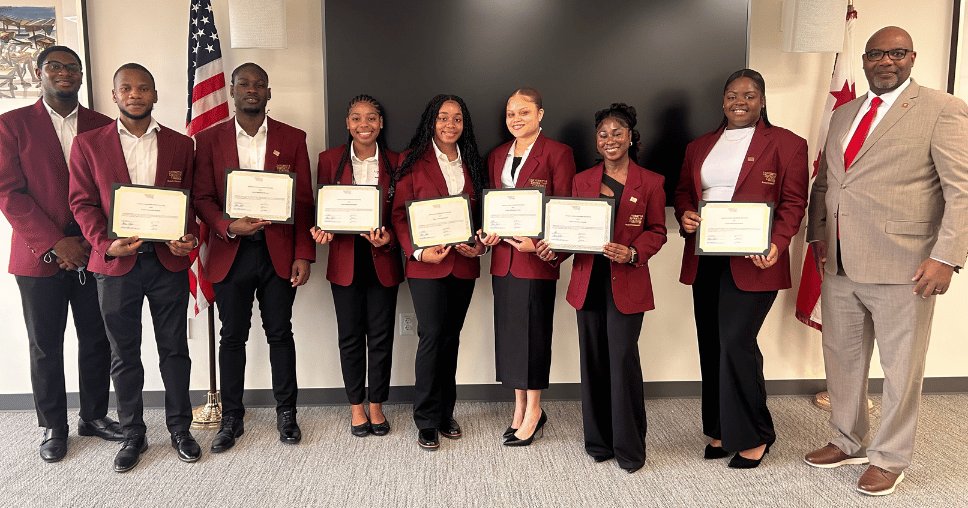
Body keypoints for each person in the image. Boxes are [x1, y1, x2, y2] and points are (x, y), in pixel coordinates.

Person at [804, 26, 968, 496]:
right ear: (865, 61)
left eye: (896, 53)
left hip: (907, 265)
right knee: (842, 359)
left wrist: (946, 258)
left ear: (912, 57)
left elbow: (962, 191)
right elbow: (828, 182)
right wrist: (818, 238)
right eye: (875, 54)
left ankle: (890, 457)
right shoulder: (846, 113)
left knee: (901, 368)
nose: (885, 61)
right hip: (838, 261)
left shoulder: (943, 109)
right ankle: (846, 437)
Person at [673, 69, 809, 469]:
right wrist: (684, 215)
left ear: (762, 100)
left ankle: (754, 434)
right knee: (711, 345)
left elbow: (793, 203)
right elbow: (684, 191)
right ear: (723, 101)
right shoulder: (700, 146)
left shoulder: (787, 143)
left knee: (737, 343)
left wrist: (777, 243)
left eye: (749, 95)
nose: (740, 102)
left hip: (755, 260)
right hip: (707, 258)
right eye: (732, 95)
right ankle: (719, 428)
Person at [68, 63, 200, 472]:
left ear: (156, 95)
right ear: (114, 96)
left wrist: (189, 238)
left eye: (144, 88)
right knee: (123, 355)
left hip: (167, 263)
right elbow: (82, 204)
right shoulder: (89, 144)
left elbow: (188, 203)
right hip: (115, 264)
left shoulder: (181, 144)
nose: (135, 94)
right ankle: (132, 433)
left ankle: (180, 428)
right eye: (126, 88)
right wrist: (107, 244)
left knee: (174, 349)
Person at [0, 45, 120, 463]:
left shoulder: (103, 125)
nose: (65, 73)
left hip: (94, 249)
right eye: (55, 66)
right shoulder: (11, 125)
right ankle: (54, 424)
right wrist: (55, 242)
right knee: (44, 344)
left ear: (82, 76)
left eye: (73, 67)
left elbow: (112, 191)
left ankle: (94, 416)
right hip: (38, 256)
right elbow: (8, 193)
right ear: (39, 74)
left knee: (96, 338)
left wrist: (91, 239)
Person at [536, 103, 667, 472]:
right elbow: (570, 231)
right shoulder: (581, 180)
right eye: (603, 134)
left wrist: (633, 252)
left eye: (617, 133)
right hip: (588, 284)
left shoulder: (651, 181)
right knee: (592, 362)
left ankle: (629, 449)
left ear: (630, 137)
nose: (610, 139)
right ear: (597, 141)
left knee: (622, 362)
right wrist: (552, 250)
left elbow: (658, 231)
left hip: (627, 283)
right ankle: (598, 442)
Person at [193, 63, 315, 452]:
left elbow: (303, 201)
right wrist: (228, 225)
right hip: (231, 251)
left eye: (259, 84)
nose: (251, 90)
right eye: (243, 83)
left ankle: (287, 414)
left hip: (278, 253)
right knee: (232, 337)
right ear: (231, 90)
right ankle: (232, 418)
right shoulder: (209, 139)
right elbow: (202, 199)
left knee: (280, 334)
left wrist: (304, 254)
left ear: (268, 92)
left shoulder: (293, 138)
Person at [390, 94, 487, 450]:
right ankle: (427, 419)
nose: (450, 125)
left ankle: (447, 412)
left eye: (457, 119)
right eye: (443, 118)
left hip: (464, 263)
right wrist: (417, 251)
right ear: (432, 121)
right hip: (426, 265)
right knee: (431, 336)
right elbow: (399, 214)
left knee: (451, 338)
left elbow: (485, 217)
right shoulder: (411, 161)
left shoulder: (474, 162)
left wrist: (482, 245)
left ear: (465, 124)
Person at [479, 88, 575, 446]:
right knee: (509, 337)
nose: (516, 119)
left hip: (536, 259)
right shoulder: (497, 155)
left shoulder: (559, 153)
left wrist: (545, 248)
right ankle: (518, 405)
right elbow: (493, 206)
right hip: (503, 260)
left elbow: (564, 208)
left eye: (524, 112)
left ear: (540, 114)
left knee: (533, 335)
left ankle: (534, 408)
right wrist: (488, 233)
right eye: (510, 114)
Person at [313, 95, 403, 437]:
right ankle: (356, 407)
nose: (363, 124)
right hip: (345, 259)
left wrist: (389, 237)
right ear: (347, 123)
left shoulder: (397, 162)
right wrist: (320, 230)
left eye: (370, 118)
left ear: (380, 124)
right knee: (349, 337)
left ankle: (377, 404)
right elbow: (320, 207)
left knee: (381, 337)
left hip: (383, 259)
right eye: (355, 118)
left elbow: (403, 214)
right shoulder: (329, 160)